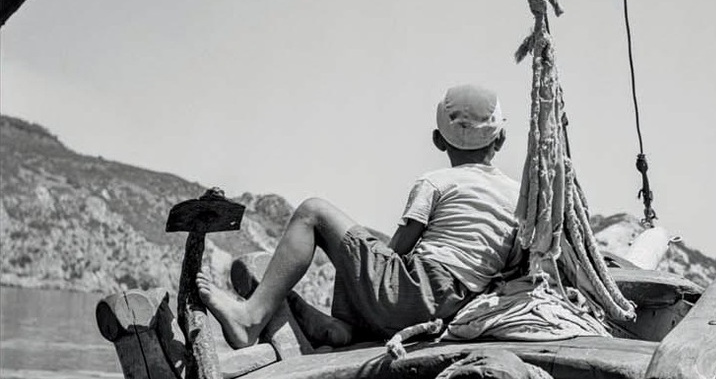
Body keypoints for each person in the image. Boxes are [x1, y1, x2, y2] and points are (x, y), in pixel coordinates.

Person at [197, 85, 521, 349]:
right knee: (361, 244)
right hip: (459, 305)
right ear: (501, 138)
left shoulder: (437, 182)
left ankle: (250, 318)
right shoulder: (516, 195)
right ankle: (344, 329)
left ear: (438, 140)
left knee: (314, 212)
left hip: (418, 294)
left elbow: (398, 250)